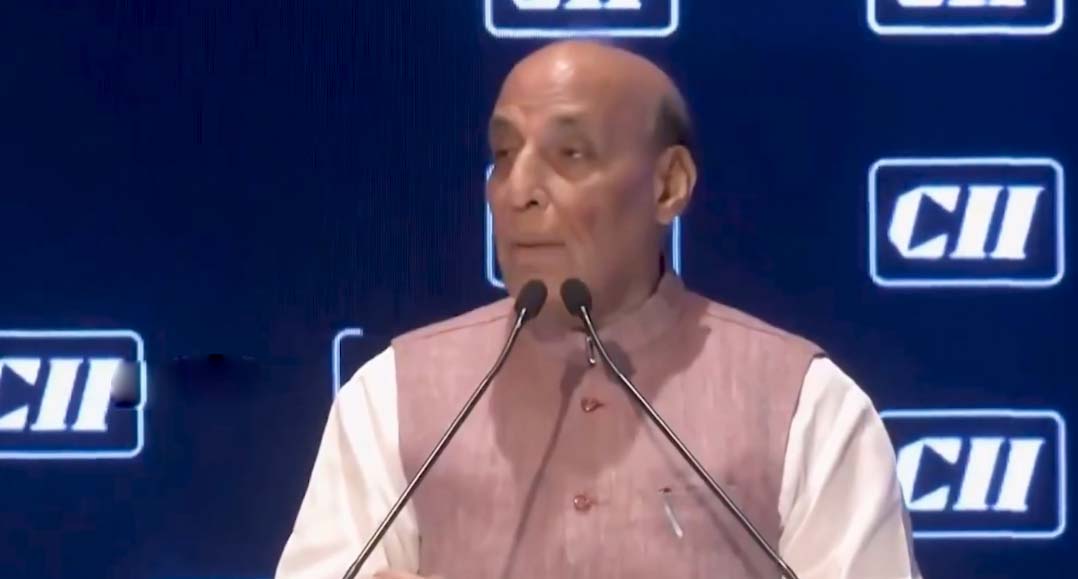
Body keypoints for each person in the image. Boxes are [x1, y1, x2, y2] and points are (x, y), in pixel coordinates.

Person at [275, 40, 922, 579]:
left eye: (571, 154)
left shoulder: (805, 402)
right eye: (504, 155)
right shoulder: (392, 393)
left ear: (668, 185)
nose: (519, 190)